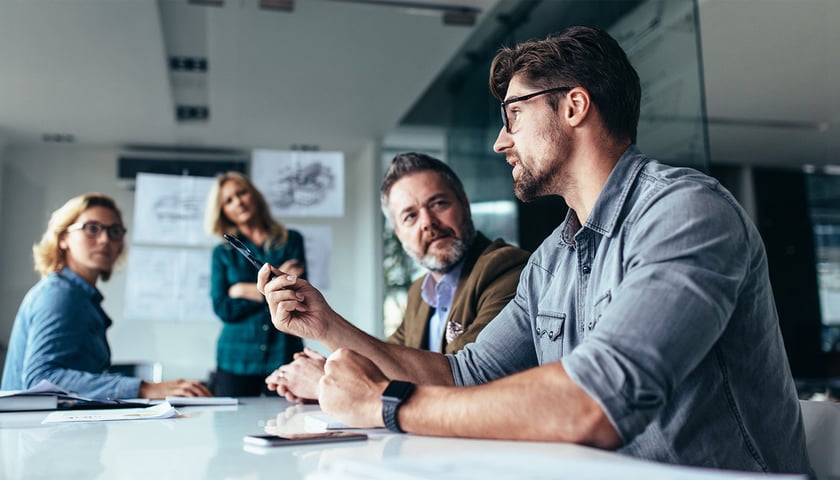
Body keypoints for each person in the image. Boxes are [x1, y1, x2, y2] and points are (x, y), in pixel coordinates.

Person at [258, 25, 813, 474]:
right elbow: (462, 374)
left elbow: (596, 400)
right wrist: (325, 326)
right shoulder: (552, 259)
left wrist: (385, 404)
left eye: (514, 115)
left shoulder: (686, 212)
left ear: (574, 107)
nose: (502, 140)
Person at [265, 153, 529, 401]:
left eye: (438, 204)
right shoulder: (420, 292)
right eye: (410, 216)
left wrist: (325, 380)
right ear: (398, 233)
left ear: (464, 204)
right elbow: (387, 363)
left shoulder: (506, 269)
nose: (427, 222)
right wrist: (330, 370)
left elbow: (461, 380)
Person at [1, 193, 212, 399]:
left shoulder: (82, 298)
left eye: (115, 231)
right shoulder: (59, 294)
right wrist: (144, 388)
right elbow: (41, 379)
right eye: (91, 229)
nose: (104, 239)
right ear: (63, 238)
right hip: (32, 431)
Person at [205, 171, 306, 396]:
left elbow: (296, 296)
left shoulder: (291, 241)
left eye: (241, 193)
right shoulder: (222, 253)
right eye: (228, 201)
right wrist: (272, 290)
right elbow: (222, 307)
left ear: (254, 195)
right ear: (223, 212)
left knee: (288, 422)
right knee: (231, 428)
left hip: (283, 353)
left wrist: (241, 290)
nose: (238, 202)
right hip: (236, 358)